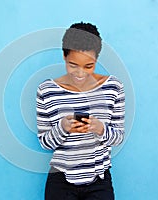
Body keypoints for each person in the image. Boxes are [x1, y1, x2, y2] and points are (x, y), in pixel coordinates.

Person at [36, 22, 125, 200]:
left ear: (97, 59)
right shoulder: (46, 91)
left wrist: (100, 128)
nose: (80, 73)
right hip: (60, 182)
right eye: (73, 64)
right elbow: (45, 143)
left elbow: (118, 137)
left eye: (88, 66)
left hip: (99, 181)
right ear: (64, 56)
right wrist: (63, 127)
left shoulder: (113, 88)